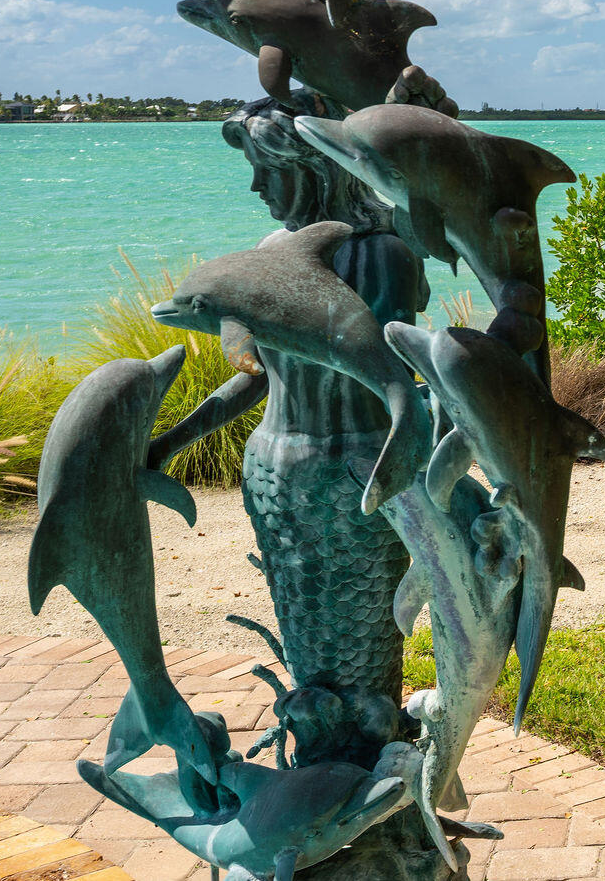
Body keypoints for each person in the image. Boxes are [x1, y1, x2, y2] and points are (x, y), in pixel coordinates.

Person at [220, 90, 429, 765]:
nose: (255, 185)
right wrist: (167, 437)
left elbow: (393, 365)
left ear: (310, 166)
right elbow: (258, 373)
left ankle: (368, 781)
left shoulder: (385, 256)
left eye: (267, 168)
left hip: (362, 473)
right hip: (276, 473)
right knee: (308, 640)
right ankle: (319, 769)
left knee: (366, 649)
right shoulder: (266, 252)